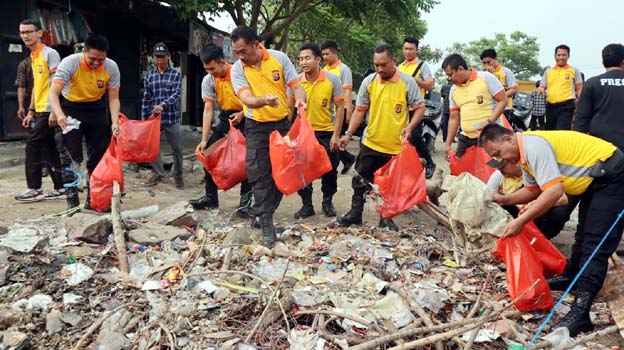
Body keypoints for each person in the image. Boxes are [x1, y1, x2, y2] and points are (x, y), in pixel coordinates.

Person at [479, 123, 624, 337]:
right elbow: (533, 190)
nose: (500, 160)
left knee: (595, 244)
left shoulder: (534, 146)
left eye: (498, 153)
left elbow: (554, 191)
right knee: (582, 235)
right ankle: (570, 276)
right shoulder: (525, 156)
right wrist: (504, 199)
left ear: (509, 139)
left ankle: (581, 312)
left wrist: (521, 222)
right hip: (595, 179)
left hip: (612, 174)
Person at [230, 25, 306, 248]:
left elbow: (296, 86)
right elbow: (247, 99)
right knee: (259, 174)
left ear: (256, 44)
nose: (240, 56)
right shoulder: (237, 69)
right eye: (237, 52)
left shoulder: (279, 58)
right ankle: (266, 225)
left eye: (243, 51)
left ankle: (264, 213)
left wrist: (300, 99)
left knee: (282, 175)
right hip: (256, 127)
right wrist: (263, 100)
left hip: (282, 125)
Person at [337, 43, 425, 231]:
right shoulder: (369, 82)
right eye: (376, 64)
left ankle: (386, 217)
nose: (379, 69)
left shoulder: (407, 82)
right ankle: (355, 214)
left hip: (395, 147)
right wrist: (348, 134)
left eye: (383, 65)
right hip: (371, 143)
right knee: (359, 180)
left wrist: (409, 127)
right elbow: (360, 111)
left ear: (394, 61)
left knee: (389, 186)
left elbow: (419, 108)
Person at [49, 34, 121, 211]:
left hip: (96, 109)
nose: (96, 63)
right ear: (84, 52)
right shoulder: (70, 63)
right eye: (92, 59)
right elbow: (53, 93)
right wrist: (58, 114)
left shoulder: (111, 67)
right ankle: (72, 203)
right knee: (70, 157)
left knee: (97, 157)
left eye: (101, 59)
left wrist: (115, 122)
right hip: (71, 108)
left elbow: (113, 98)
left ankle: (93, 199)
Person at [189, 45, 253, 219]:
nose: (210, 72)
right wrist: (203, 139)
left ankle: (245, 204)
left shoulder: (240, 73)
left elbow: (253, 98)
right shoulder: (209, 80)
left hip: (247, 116)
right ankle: (211, 198)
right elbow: (208, 110)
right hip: (226, 118)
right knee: (209, 154)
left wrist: (242, 113)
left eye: (212, 68)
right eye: (206, 69)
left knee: (248, 161)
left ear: (222, 62)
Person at [289, 43, 345, 219]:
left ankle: (327, 202)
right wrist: (288, 136)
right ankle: (307, 205)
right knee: (301, 170)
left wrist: (336, 135)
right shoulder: (296, 82)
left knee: (330, 170)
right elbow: (289, 109)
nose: (303, 62)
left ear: (318, 59)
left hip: (326, 133)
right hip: (303, 134)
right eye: (300, 59)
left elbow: (340, 108)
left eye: (307, 58)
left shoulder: (332, 80)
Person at [15, 19, 65, 202]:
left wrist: (54, 110)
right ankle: (61, 186)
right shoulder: (33, 57)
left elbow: (56, 83)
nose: (25, 35)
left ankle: (34, 188)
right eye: (22, 32)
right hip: (41, 108)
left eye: (29, 31)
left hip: (49, 108)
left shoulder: (50, 54)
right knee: (48, 146)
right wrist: (30, 110)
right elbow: (38, 86)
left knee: (33, 144)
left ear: (39, 33)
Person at [441, 54, 507, 160]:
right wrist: (448, 144)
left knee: (489, 170)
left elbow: (503, 101)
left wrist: (490, 121)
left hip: (489, 135)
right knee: (460, 170)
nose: (449, 78)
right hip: (466, 137)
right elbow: (454, 118)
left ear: (460, 69)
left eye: (451, 74)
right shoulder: (453, 90)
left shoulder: (485, 78)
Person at [486, 160, 570, 239]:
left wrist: (536, 203)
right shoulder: (498, 175)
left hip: (534, 214)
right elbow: (488, 199)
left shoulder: (535, 172)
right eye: (498, 167)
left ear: (516, 163)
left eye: (503, 166)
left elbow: (563, 199)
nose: (500, 169)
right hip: (513, 214)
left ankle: (540, 241)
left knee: (559, 212)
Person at [141, 42, 184, 189]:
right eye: (157, 57)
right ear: (153, 58)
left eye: (163, 56)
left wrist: (163, 105)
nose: (160, 60)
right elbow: (146, 97)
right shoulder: (149, 76)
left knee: (177, 148)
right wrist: (144, 117)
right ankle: (159, 173)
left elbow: (177, 94)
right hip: (154, 119)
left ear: (168, 57)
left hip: (171, 118)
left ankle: (178, 175)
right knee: (151, 147)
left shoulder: (175, 75)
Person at [398, 37, 436, 178]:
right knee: (402, 138)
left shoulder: (422, 66)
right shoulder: (400, 67)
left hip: (416, 108)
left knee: (415, 136)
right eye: (405, 48)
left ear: (416, 50)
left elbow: (430, 85)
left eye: (411, 49)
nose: (408, 51)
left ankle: (430, 163)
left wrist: (414, 81)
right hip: (401, 109)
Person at [575, 43, 624, 151]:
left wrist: (578, 147)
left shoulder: (592, 83)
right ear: (623, 60)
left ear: (603, 62)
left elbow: (581, 119)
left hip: (600, 148)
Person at [321, 41, 356, 175]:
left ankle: (340, 162)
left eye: (327, 54)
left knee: (334, 139)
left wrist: (349, 112)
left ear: (335, 52)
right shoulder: (324, 69)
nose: (324, 57)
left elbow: (347, 91)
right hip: (330, 111)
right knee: (332, 138)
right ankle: (348, 159)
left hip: (342, 108)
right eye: (323, 54)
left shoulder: (343, 69)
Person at [538, 45, 583, 130]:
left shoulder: (574, 70)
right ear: (555, 56)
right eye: (559, 55)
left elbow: (579, 88)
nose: (561, 57)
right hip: (550, 106)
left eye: (564, 55)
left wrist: (579, 102)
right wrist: (540, 90)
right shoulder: (548, 71)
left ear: (568, 56)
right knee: (549, 132)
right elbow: (542, 86)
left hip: (566, 106)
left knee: (561, 131)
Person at [480, 48, 517, 117]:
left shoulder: (506, 71)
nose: (486, 65)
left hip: (505, 109)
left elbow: (513, 90)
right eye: (484, 63)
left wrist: (500, 98)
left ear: (496, 59)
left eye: (489, 62)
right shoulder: (482, 74)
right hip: (488, 109)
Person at [15, 56, 33, 122]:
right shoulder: (25, 63)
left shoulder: (24, 63)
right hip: (35, 102)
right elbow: (21, 86)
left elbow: (21, 86)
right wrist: (21, 106)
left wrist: (21, 106)